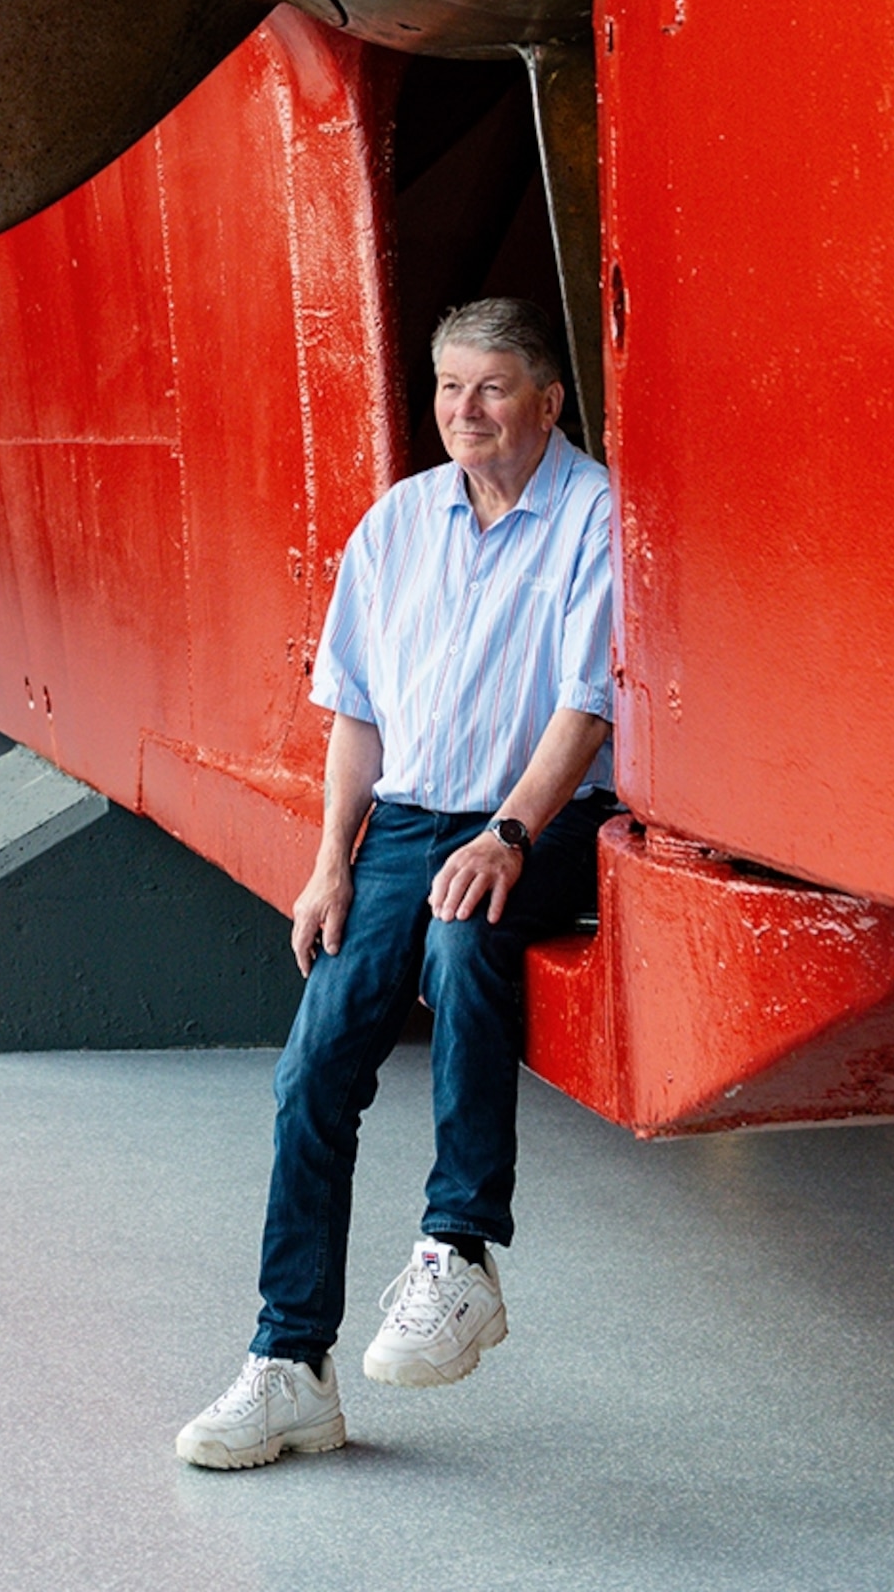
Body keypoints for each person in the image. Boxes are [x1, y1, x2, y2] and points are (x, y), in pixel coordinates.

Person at [176, 295, 614, 1471]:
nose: (463, 412)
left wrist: (510, 835)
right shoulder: (395, 523)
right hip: (404, 828)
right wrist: (328, 863)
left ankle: (456, 1254)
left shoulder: (593, 518)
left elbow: (584, 707)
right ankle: (288, 1367)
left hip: (548, 818)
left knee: (465, 941)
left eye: (491, 388)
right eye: (446, 389)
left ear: (547, 400)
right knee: (312, 1069)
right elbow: (355, 716)